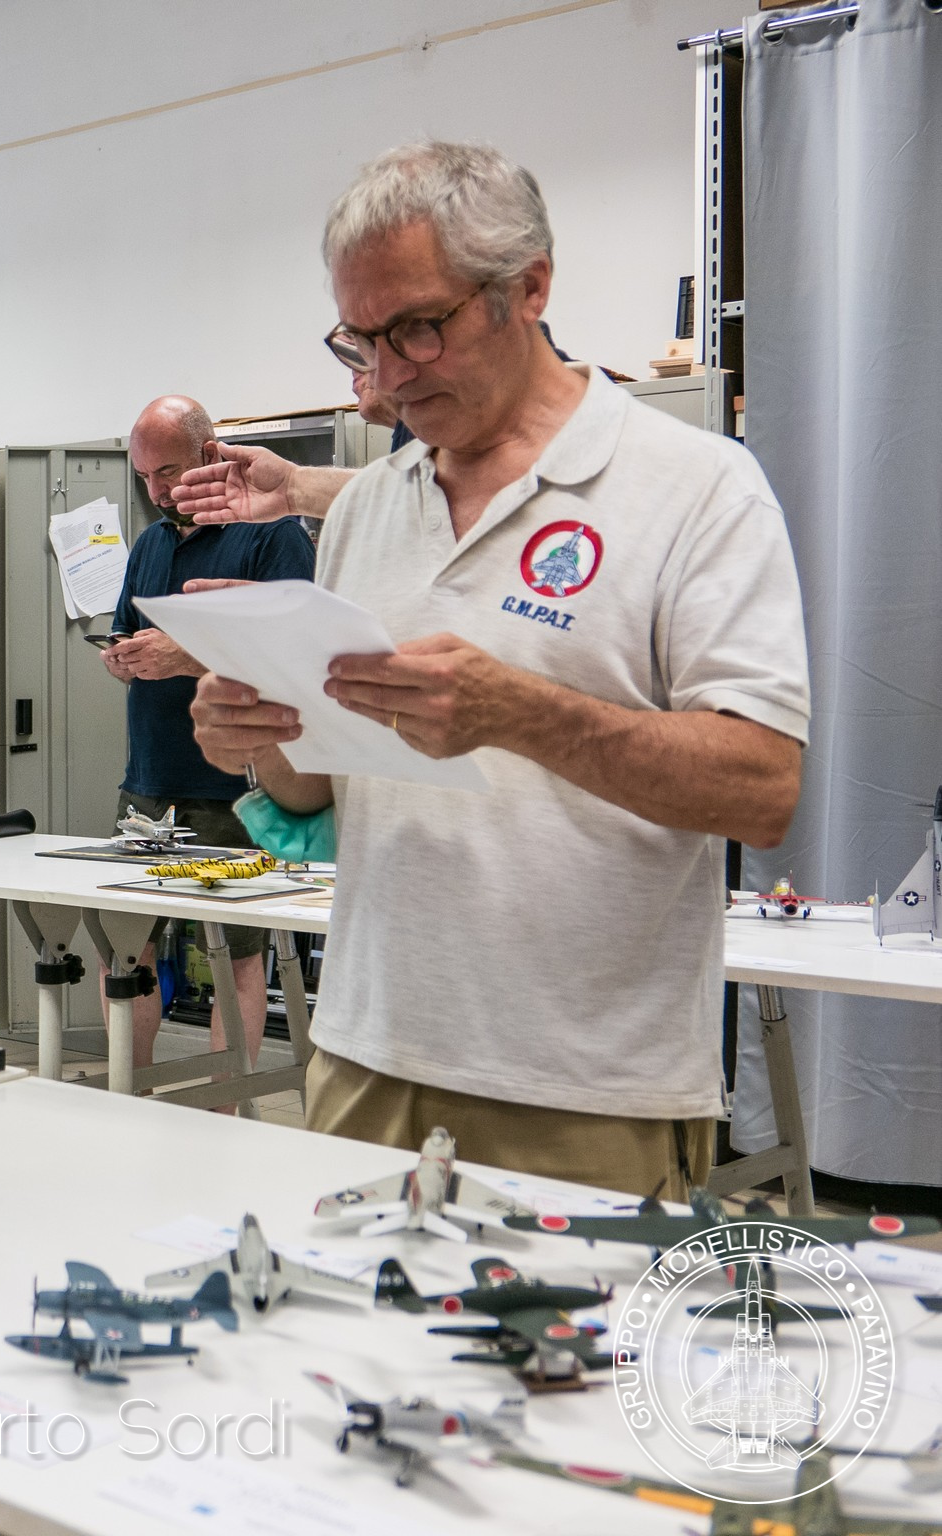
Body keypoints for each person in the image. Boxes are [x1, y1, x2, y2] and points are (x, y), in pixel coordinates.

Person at [187, 142, 808, 1197]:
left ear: (528, 288)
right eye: (359, 340)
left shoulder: (695, 488)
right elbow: (322, 794)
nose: (385, 376)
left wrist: (520, 713)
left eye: (416, 329)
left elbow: (761, 788)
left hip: (584, 1090)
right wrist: (259, 741)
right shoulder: (367, 510)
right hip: (364, 1058)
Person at [102, 396, 315, 1071]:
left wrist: (186, 656)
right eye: (143, 477)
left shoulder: (272, 535)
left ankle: (226, 1110)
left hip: (236, 787)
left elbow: (298, 653)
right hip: (147, 781)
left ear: (210, 454)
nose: (157, 492)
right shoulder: (150, 543)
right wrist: (123, 659)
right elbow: (127, 632)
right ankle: (129, 1093)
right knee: (124, 950)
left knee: (234, 957)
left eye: (167, 472)